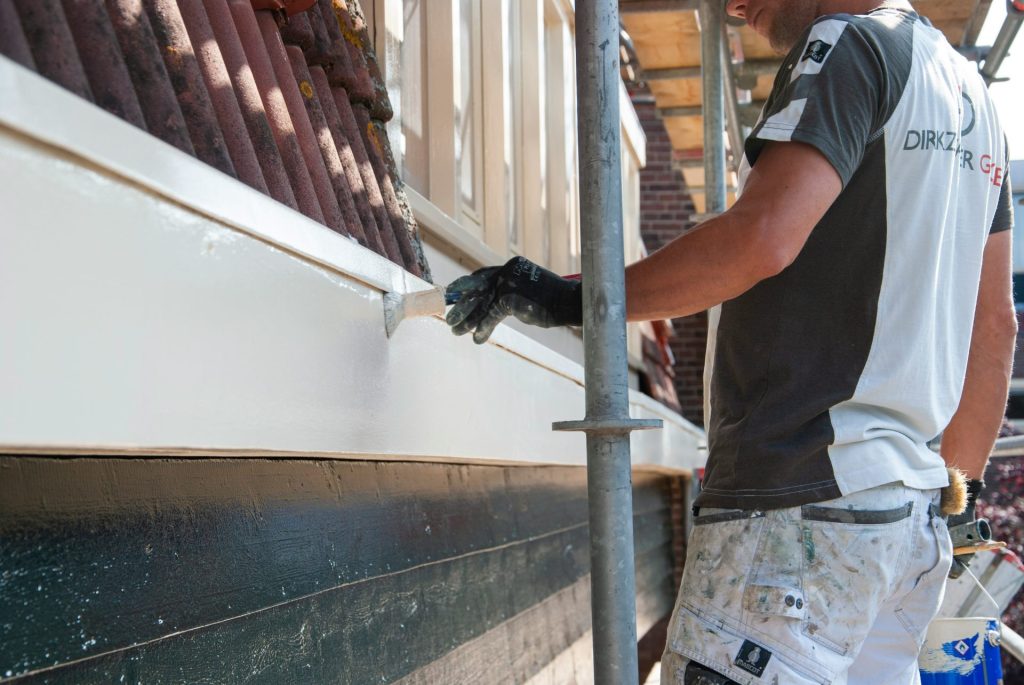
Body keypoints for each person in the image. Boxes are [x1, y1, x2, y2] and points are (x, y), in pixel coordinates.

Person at [444, 0, 1015, 682]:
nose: (733, 5)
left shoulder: (851, 48)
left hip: (800, 516)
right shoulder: (974, 100)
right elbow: (994, 326)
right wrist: (957, 494)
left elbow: (763, 235)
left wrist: (574, 298)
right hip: (905, 524)